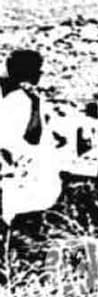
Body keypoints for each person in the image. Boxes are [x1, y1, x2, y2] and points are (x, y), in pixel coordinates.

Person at [0, 50, 62, 225]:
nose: (40, 74)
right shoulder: (21, 100)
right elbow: (32, 137)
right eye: (37, 69)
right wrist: (35, 103)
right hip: (25, 183)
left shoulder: (15, 97)